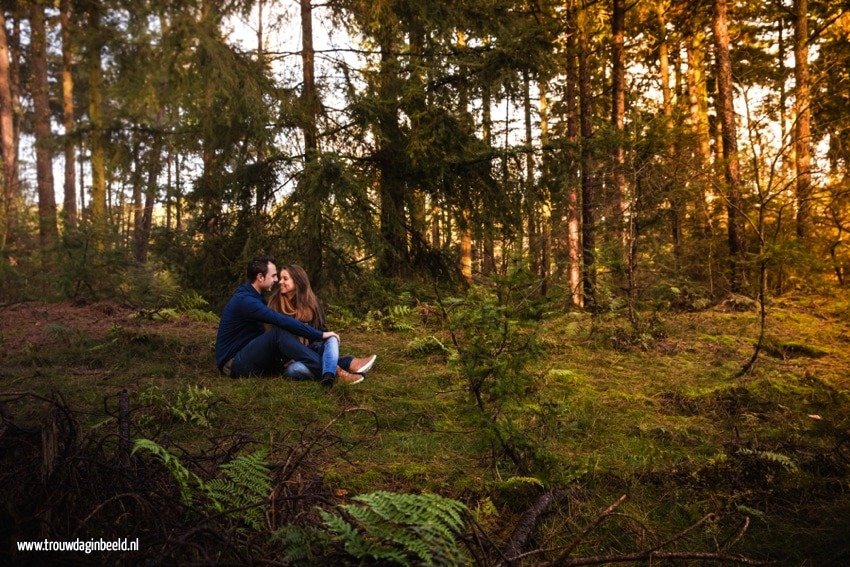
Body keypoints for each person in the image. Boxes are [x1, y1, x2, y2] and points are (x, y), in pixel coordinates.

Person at [215, 255, 361, 385]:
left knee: (305, 346)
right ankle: (337, 371)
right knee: (278, 333)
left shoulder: (254, 297)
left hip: (250, 355)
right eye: (273, 276)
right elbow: (280, 320)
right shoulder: (246, 301)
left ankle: (344, 364)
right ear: (260, 277)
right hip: (234, 363)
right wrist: (320, 335)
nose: (276, 280)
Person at [268, 264, 377, 385]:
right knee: (295, 369)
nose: (280, 282)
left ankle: (328, 375)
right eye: (280, 278)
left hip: (312, 351)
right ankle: (345, 365)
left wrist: (324, 343)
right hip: (291, 359)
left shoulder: (312, 303)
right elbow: (278, 339)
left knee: (331, 338)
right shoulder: (275, 304)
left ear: (298, 281)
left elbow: (321, 332)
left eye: (285, 278)